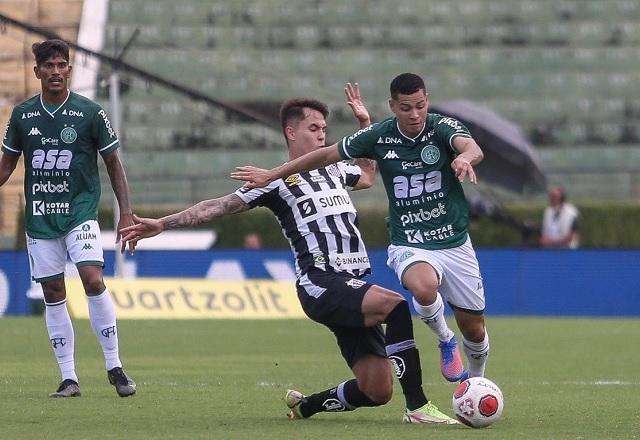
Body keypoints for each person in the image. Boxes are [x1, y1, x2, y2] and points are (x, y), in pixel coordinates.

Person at [120, 89, 457, 424]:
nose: (322, 133)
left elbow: (368, 176)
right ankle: (418, 406)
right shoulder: (276, 181)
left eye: (324, 128)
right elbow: (218, 206)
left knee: (377, 390)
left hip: (352, 283)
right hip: (320, 283)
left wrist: (365, 124)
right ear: (290, 132)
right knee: (396, 305)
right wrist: (163, 223)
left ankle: (305, 406)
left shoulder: (337, 171)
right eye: (314, 128)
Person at [232, 73, 490, 383]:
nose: (415, 114)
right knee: (422, 287)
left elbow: (472, 147)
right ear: (393, 106)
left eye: (420, 105)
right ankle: (445, 340)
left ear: (427, 102)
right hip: (410, 239)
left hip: (454, 241)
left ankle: (476, 383)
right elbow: (326, 155)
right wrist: (273, 174)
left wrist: (465, 157)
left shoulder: (441, 127)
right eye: (406, 107)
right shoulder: (380, 135)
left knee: (474, 328)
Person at [0, 39, 136, 398]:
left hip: (80, 212)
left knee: (92, 279)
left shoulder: (90, 113)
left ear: (70, 70)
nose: (56, 72)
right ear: (37, 72)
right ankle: (69, 378)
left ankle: (115, 367)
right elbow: (7, 165)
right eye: (49, 66)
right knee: (53, 292)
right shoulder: (23, 116)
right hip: (41, 216)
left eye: (62, 65)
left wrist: (126, 214)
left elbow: (113, 163)